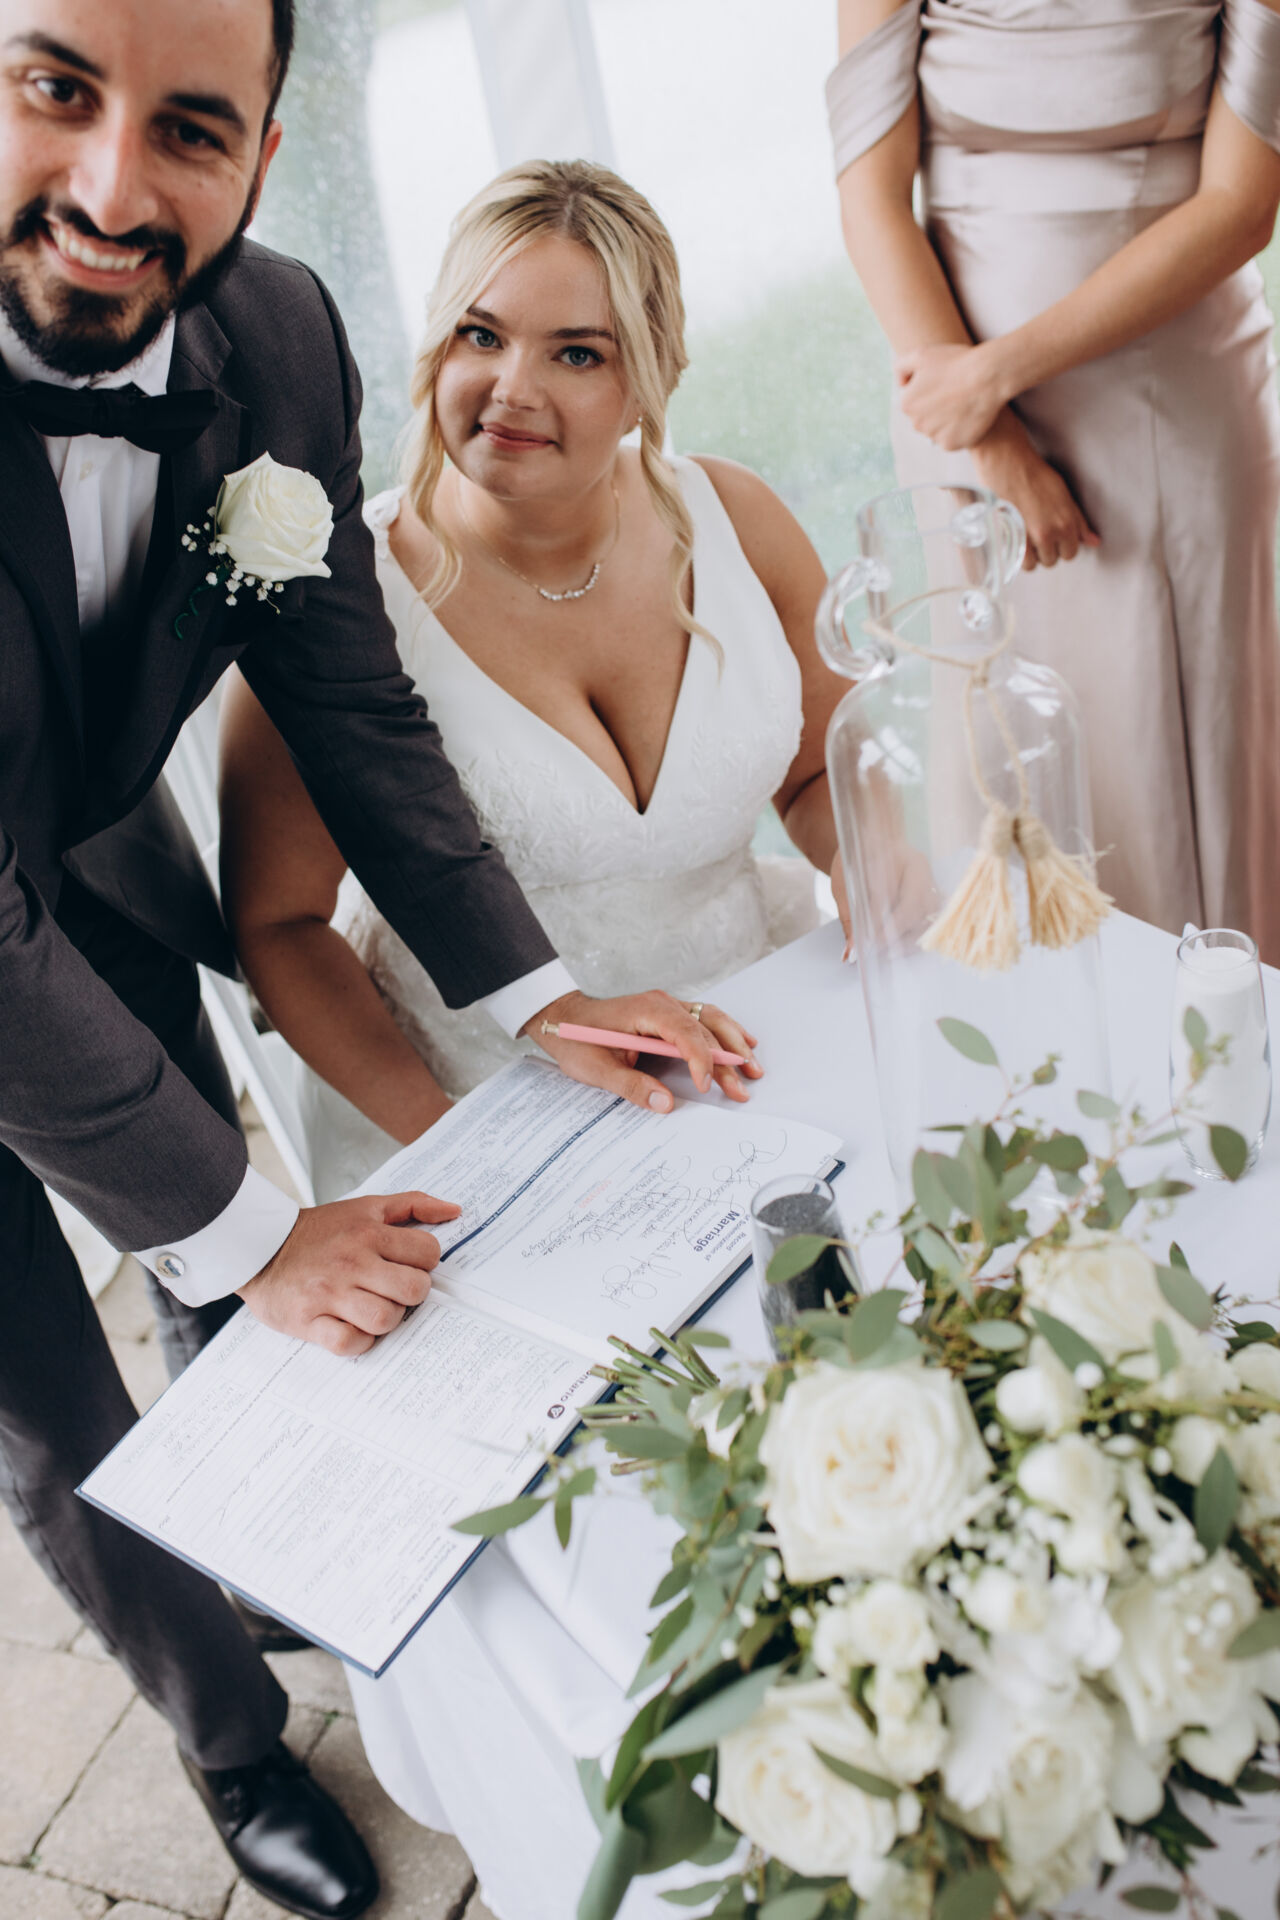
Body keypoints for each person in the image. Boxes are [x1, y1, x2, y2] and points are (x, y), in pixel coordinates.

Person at [0, 7, 730, 1917]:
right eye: (56, 88)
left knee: (195, 1221)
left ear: (263, 152)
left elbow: (347, 694)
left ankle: (266, 1537)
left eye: (191, 127)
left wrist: (536, 998)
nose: (112, 188)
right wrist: (262, 1231)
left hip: (84, 850)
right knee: (51, 1398)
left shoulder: (277, 335)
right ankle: (231, 1740)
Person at [218, 158, 873, 1201]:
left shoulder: (738, 521)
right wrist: (459, 1147)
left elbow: (817, 777)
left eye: (575, 352)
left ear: (646, 379)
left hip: (756, 1040)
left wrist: (874, 872)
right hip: (468, 1100)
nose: (512, 388)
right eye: (481, 335)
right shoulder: (341, 601)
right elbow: (279, 925)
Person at [828, 0, 1280, 957]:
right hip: (949, 395)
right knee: (996, 743)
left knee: (1197, 757)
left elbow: (1244, 205)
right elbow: (870, 196)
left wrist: (996, 374)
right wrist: (989, 434)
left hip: (1175, 401)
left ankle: (1220, 1026)